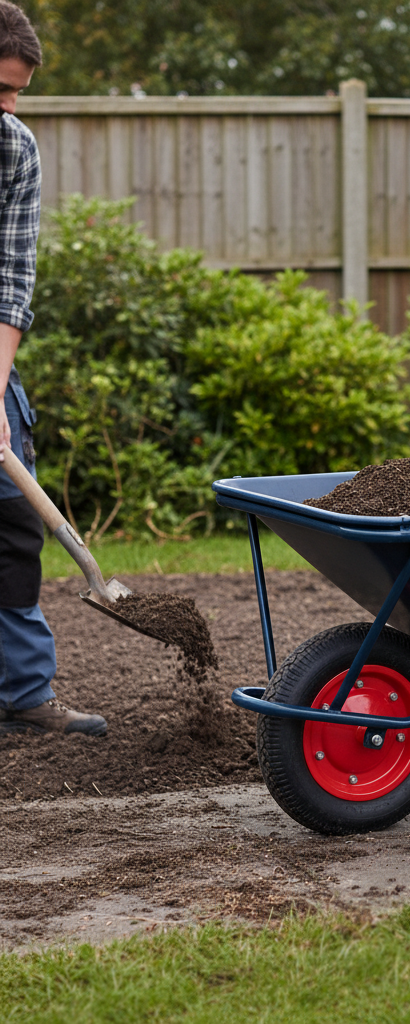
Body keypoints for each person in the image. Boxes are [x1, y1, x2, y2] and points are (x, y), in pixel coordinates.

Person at [0, 2, 106, 736]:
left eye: (18, 92)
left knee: (11, 525)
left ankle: (22, 693)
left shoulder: (14, 149)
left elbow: (12, 278)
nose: (8, 106)